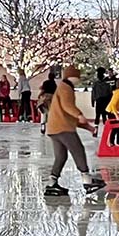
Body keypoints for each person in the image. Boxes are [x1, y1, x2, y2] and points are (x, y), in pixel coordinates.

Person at [44, 65, 103, 196]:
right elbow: (67, 106)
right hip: (63, 128)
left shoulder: (63, 88)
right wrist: (79, 114)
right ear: (72, 76)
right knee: (78, 150)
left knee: (61, 156)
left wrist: (87, 127)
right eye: (77, 76)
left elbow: (67, 115)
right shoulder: (65, 88)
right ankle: (87, 181)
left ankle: (51, 183)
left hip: (54, 128)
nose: (79, 79)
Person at [105, 78, 119, 145]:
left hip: (115, 111)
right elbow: (113, 105)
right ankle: (111, 143)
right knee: (115, 128)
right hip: (111, 112)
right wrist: (116, 115)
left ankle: (118, 143)